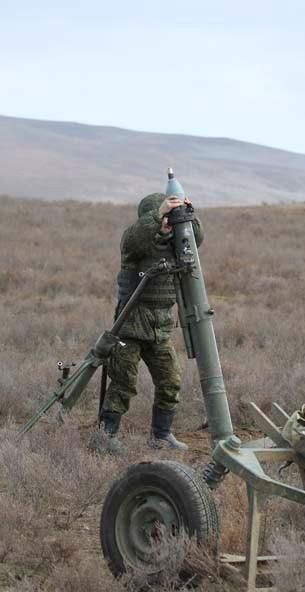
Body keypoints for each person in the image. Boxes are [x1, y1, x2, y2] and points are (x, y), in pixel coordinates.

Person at [93, 192, 202, 453]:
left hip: (159, 328)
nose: (167, 221)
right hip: (130, 326)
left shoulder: (175, 244)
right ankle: (105, 438)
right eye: (164, 216)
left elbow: (196, 239)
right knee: (123, 383)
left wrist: (188, 215)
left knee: (170, 380)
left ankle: (161, 436)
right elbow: (135, 238)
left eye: (169, 217)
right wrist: (158, 214)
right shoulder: (135, 244)